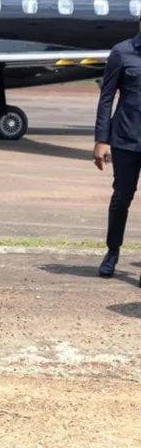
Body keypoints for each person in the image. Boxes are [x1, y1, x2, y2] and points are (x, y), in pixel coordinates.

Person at [93, 26, 141, 282]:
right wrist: (101, 139)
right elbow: (106, 97)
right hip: (126, 139)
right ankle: (112, 251)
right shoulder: (122, 53)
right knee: (121, 198)